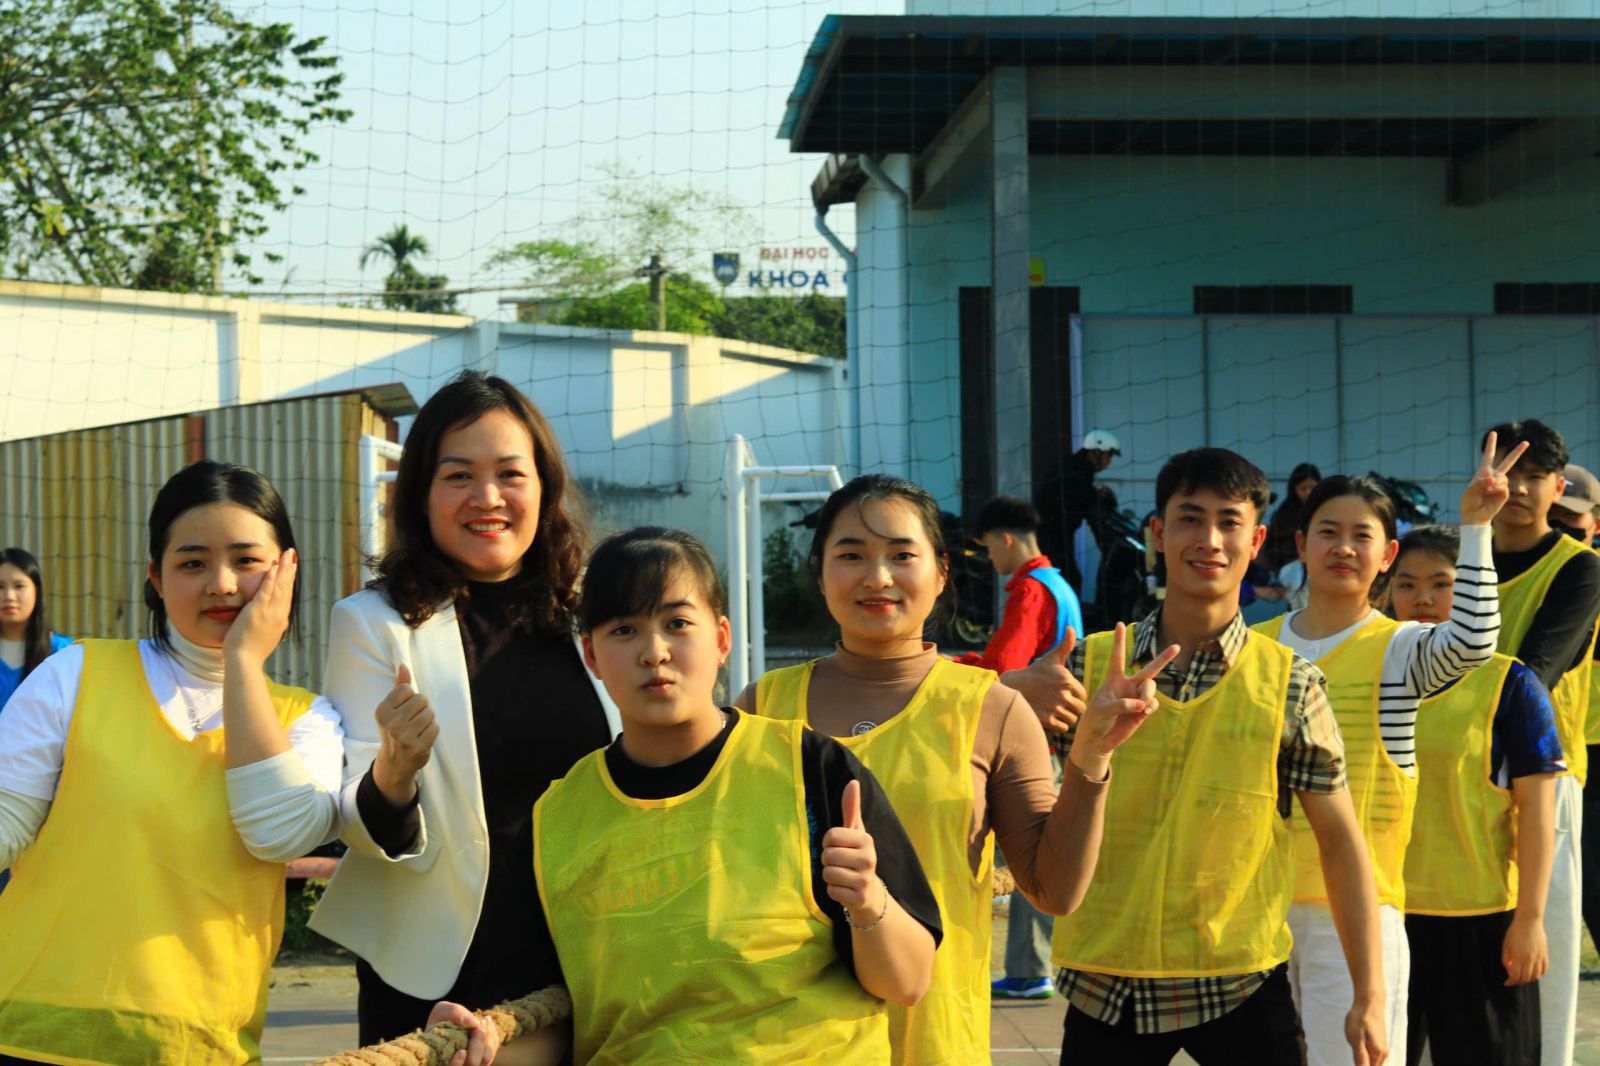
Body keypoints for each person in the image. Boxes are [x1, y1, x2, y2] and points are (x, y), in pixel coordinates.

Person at [441, 527, 941, 1066]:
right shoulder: (556, 820)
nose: (654, 652)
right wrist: (478, 1047)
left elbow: (909, 981)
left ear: (722, 639)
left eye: (677, 623)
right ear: (592, 655)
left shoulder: (811, 769)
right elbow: (549, 1027)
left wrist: (867, 900)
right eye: (624, 630)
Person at [738, 473, 1167, 1066]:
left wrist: (1091, 757)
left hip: (935, 1042)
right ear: (820, 573)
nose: (877, 576)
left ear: (941, 573)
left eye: (901, 555)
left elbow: (1055, 889)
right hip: (789, 1045)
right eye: (851, 555)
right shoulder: (760, 707)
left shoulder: (992, 708)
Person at [310, 371, 619, 1044]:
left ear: (545, 488)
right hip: (438, 974)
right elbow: (360, 826)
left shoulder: (596, 610)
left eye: (510, 474)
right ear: (421, 496)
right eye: (458, 476)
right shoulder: (374, 623)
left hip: (592, 955)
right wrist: (394, 772)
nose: (488, 498)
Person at [1050, 447, 1386, 1066]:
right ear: (1158, 532)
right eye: (1189, 518)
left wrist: (1370, 992)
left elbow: (1341, 842)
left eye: (1229, 522)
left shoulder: (1291, 684)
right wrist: (1012, 692)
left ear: (1256, 540)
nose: (1209, 540)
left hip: (1240, 982)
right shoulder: (1086, 668)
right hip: (1105, 983)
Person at [0, 460, 343, 1065]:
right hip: (28, 1036)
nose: (221, 583)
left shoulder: (309, 718)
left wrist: (242, 663)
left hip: (202, 1049)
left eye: (246, 559)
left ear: (286, 570)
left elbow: (280, 833)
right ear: (155, 578)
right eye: (192, 563)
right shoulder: (75, 673)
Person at [1252, 451, 1517, 1066]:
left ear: (1387, 555)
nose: (1344, 548)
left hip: (1356, 918)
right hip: (1252, 910)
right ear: (1301, 545)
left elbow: (1473, 641)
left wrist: (1477, 527)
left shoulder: (1400, 650)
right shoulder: (1255, 649)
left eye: (1362, 536)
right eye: (1328, 532)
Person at [1392, 524, 1562, 1066]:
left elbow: (1537, 815)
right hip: (1382, 916)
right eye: (1406, 584)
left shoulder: (1510, 683)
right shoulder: (1367, 675)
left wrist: (1529, 920)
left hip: (1481, 922)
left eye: (1442, 584)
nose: (1423, 598)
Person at [1483, 420, 1600, 1066]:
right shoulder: (1454, 555)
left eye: (1534, 476)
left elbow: (1534, 673)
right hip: (1448, 777)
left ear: (1558, 488)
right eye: (1508, 471)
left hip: (1540, 779)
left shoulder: (1580, 569)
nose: (1519, 488)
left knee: (1540, 954)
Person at [954, 495, 1084, 1001]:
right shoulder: (1060, 585)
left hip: (1029, 740)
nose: (989, 558)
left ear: (1006, 540)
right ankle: (1035, 967)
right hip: (1054, 736)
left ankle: (1030, 969)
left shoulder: (1030, 591)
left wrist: (950, 668)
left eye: (988, 547)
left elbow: (1002, 667)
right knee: (1044, 852)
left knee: (1022, 855)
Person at [0, 549, 73, 712]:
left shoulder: (63, 651)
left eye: (19, 586)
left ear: (37, 591)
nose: (9, 596)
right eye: (0, 587)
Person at [1057, 428, 1121, 592]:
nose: (1110, 462)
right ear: (1097, 452)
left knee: (1071, 579)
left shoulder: (1077, 468)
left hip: (1060, 537)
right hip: (1052, 538)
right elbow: (1082, 498)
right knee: (1070, 581)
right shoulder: (1076, 471)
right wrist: (1097, 497)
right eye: (1109, 456)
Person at [1263, 463, 1323, 572]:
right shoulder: (1284, 514)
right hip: (1288, 569)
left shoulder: (1325, 511)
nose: (1308, 492)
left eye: (1313, 488)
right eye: (1303, 488)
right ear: (1294, 489)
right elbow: (1273, 549)